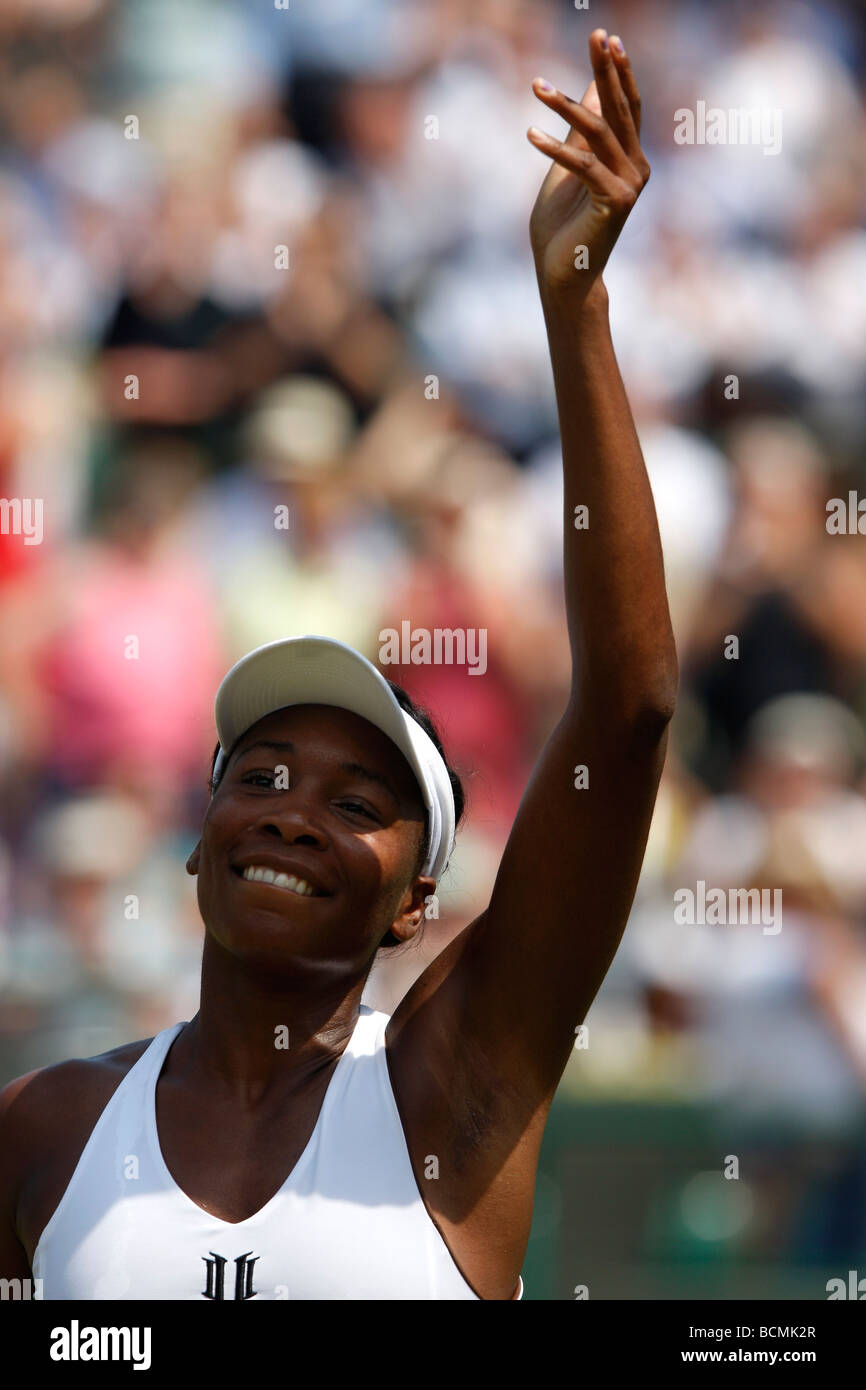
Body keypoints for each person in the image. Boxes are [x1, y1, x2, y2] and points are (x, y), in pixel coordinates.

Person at [0, 29, 676, 1300]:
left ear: (415, 903)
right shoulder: (41, 1129)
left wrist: (572, 306)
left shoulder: (456, 1080)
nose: (292, 812)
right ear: (198, 837)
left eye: (359, 805)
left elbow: (627, 708)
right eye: (259, 772)